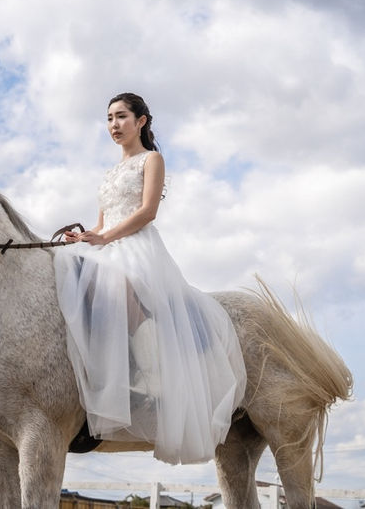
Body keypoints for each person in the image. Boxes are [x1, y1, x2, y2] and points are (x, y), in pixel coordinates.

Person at [54, 93, 247, 465]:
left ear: (141, 121)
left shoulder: (151, 159)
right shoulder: (110, 173)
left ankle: (148, 379)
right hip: (107, 242)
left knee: (121, 287)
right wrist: (86, 236)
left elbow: (148, 211)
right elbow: (101, 222)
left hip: (136, 246)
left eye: (122, 116)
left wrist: (106, 237)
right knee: (68, 275)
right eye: (109, 118)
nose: (114, 124)